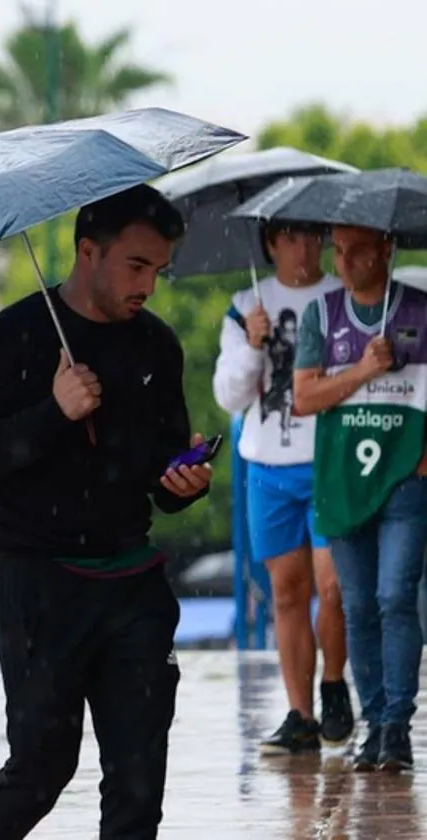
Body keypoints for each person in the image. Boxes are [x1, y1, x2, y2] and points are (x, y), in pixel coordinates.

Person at [0, 184, 213, 839]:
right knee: (41, 766)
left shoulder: (158, 345)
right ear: (88, 252)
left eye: (159, 268)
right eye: (136, 266)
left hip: (133, 582)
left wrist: (183, 482)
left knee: (139, 778)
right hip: (38, 581)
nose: (149, 284)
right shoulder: (14, 336)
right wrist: (52, 412)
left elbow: (162, 462)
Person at [211, 221, 353, 755]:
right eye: (291, 236)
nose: (304, 246)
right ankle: (300, 714)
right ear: (270, 244)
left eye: (312, 235)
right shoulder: (246, 303)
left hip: (329, 460)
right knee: (287, 592)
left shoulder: (341, 297)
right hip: (268, 463)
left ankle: (334, 680)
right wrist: (251, 343)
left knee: (333, 585)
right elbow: (229, 395)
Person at [292, 223, 427, 773]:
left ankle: (397, 723)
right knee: (357, 605)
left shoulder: (419, 310)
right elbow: (303, 396)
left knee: (396, 596)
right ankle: (373, 722)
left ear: (388, 249)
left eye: (358, 251)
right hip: (342, 480)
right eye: (338, 251)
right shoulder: (320, 315)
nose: (344, 262)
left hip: (404, 477)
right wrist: (364, 369)